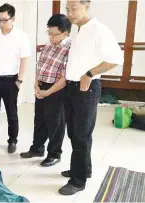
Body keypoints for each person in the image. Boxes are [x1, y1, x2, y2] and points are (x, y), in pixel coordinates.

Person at [59, 0, 123, 195]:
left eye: (74, 9)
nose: (70, 13)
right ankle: (83, 169)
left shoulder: (99, 30)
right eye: (67, 9)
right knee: (73, 132)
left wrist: (89, 73)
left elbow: (116, 59)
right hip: (71, 87)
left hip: (86, 87)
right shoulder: (78, 30)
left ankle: (78, 181)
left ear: (86, 5)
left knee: (81, 134)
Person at [20, 14, 72, 167]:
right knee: (40, 120)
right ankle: (37, 148)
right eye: (48, 32)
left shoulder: (70, 49)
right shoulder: (49, 46)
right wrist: (36, 85)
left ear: (65, 33)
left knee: (55, 123)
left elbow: (64, 78)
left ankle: (54, 154)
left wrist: (48, 92)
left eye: (53, 34)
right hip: (42, 87)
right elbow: (39, 66)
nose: (50, 36)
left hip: (56, 90)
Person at [0, 3, 31, 153]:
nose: (1, 23)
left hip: (11, 80)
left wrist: (20, 80)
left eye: (5, 20)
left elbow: (24, 59)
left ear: (13, 19)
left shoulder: (22, 37)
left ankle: (12, 140)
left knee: (11, 112)